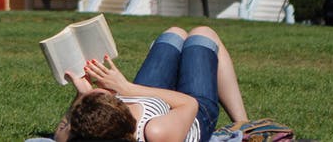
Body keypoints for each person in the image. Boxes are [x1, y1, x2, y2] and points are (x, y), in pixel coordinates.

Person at [53, 25, 248, 142]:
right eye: (107, 95)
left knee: (174, 33)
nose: (106, 91)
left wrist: (83, 95)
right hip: (193, 114)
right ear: (122, 110)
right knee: (203, 35)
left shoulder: (89, 133)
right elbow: (189, 104)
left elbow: (60, 135)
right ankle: (244, 124)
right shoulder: (155, 133)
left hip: (146, 99)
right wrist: (126, 88)